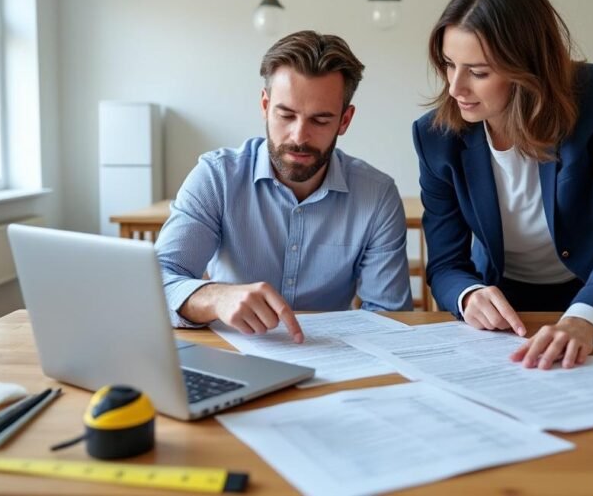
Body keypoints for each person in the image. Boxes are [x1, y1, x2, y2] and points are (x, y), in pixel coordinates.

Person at [412, 0, 593, 370]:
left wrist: (586, 317)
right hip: (507, 310)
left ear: (527, 68)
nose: (455, 87)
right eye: (448, 64)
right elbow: (446, 264)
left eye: (478, 72)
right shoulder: (436, 136)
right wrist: (469, 294)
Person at [157, 31, 412, 341]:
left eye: (320, 120)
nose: (298, 137)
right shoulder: (217, 177)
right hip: (233, 353)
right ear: (265, 105)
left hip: (334, 359)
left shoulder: (377, 195)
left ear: (344, 121)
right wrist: (216, 297)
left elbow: (388, 315)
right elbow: (157, 280)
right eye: (286, 114)